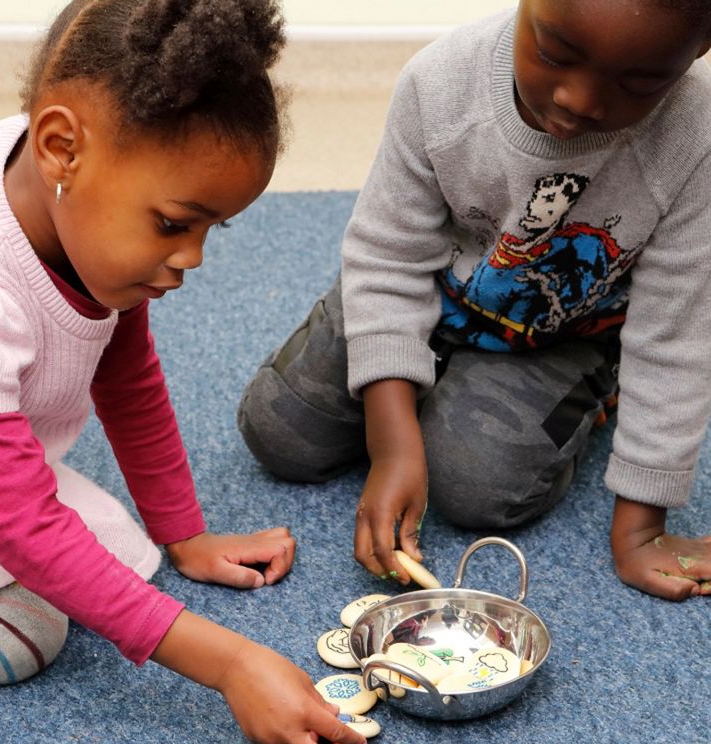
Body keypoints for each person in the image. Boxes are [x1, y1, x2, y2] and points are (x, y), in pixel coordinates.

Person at [0, 0, 368, 744]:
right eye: (171, 224)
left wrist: (183, 534)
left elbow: (128, 375)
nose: (191, 259)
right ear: (61, 149)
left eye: (209, 230)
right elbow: (23, 530)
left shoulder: (61, 190)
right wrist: (228, 663)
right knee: (30, 628)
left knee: (117, 558)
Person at [238, 0, 711, 602]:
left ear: (700, 49)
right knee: (278, 433)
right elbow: (389, 256)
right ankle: (402, 362)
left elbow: (676, 335)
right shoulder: (439, 84)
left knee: (476, 487)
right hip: (430, 288)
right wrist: (393, 443)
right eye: (555, 54)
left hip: (565, 333)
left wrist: (642, 530)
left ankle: (593, 391)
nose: (579, 100)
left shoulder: (697, 143)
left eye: (639, 82)